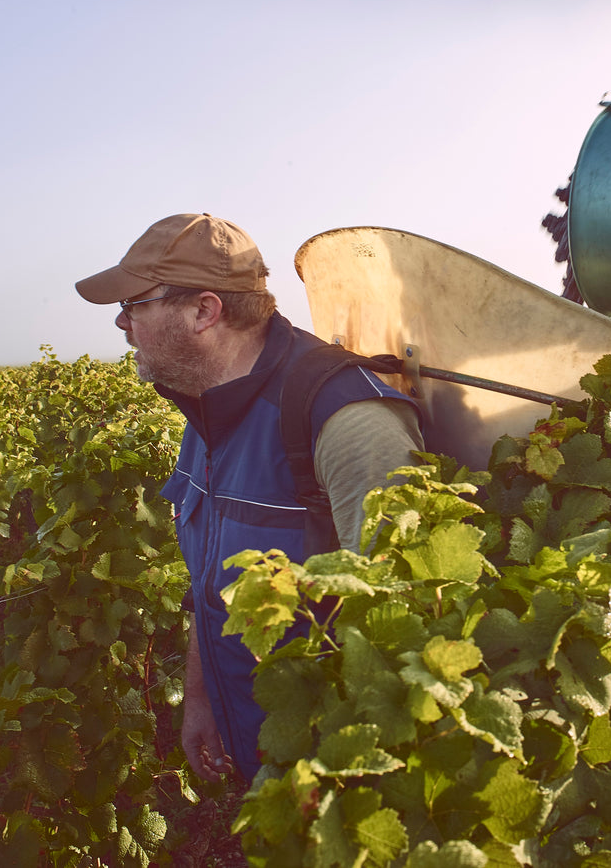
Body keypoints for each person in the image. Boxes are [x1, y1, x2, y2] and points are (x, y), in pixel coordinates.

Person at [76, 213, 423, 785]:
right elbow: (210, 583)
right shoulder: (206, 409)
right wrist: (204, 697)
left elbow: (402, 635)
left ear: (203, 311)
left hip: (336, 776)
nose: (122, 322)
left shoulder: (349, 421)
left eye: (135, 304)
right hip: (262, 752)